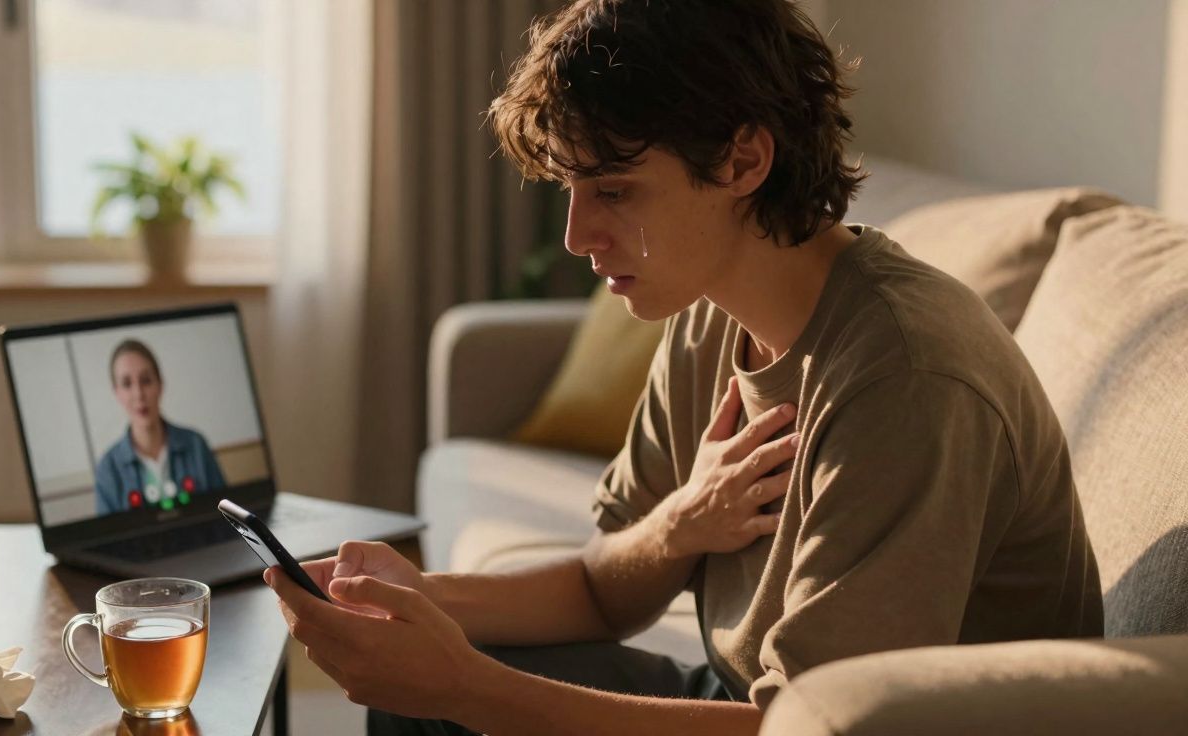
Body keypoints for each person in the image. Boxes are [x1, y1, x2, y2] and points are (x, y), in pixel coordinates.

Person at [263, 1, 1104, 733]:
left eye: (616, 190)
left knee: (446, 695)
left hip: (808, 727)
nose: (575, 236)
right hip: (743, 701)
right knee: (415, 693)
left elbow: (809, 732)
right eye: (570, 189)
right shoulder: (709, 311)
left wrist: (466, 687)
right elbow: (603, 592)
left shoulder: (907, 379)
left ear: (743, 161)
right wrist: (420, 599)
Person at [94, 339, 226, 515]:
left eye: (146, 381)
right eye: (127, 384)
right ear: (117, 393)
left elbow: (228, 520)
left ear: (160, 384)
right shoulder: (108, 469)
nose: (139, 394)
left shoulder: (196, 446)